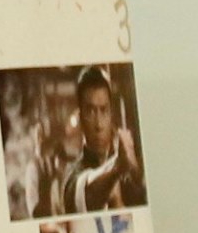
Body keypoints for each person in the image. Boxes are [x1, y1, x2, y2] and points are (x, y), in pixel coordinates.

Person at [63, 67, 146, 214]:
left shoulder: (129, 172)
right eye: (90, 111)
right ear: (80, 117)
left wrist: (137, 175)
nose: (99, 124)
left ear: (111, 114)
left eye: (104, 110)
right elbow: (85, 191)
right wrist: (117, 166)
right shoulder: (72, 176)